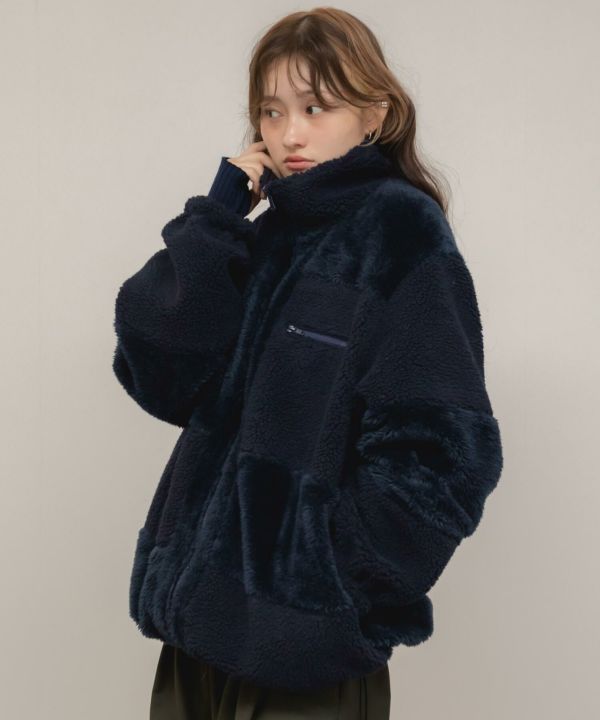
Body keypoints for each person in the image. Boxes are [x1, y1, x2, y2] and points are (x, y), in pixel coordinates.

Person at [111, 7, 504, 719]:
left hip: (301, 655)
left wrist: (325, 586)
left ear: (375, 114)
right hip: (199, 637)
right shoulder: (267, 237)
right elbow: (159, 371)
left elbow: (445, 457)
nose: (289, 134)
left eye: (316, 107)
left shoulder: (400, 234)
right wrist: (218, 219)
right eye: (271, 111)